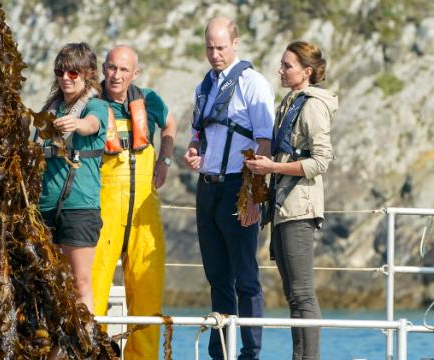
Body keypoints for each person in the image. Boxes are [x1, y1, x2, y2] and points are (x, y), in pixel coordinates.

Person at [183, 17, 274, 360]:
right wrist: (194, 153)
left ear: (236, 44)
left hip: (239, 185)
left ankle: (251, 353)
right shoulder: (204, 86)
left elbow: (264, 143)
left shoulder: (254, 84)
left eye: (221, 47)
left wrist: (254, 197)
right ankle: (220, 352)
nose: (215, 54)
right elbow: (200, 136)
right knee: (217, 276)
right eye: (209, 47)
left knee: (245, 277)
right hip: (207, 188)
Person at [246, 41, 336, 360]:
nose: (280, 70)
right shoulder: (290, 101)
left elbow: (321, 160)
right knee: (293, 295)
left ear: (306, 71)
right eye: (281, 64)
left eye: (287, 66)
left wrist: (272, 167)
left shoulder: (312, 105)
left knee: (302, 294)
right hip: (283, 207)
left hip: (300, 208)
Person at [91, 45, 176, 359]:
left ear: (135, 74)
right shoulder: (92, 103)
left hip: (143, 210)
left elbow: (171, 124)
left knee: (147, 292)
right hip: (104, 210)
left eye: (124, 70)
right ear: (103, 68)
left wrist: (164, 160)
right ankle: (93, 353)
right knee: (94, 291)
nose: (116, 75)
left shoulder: (150, 100)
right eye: (112, 67)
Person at [38, 42, 108, 313]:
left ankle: (84, 349)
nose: (65, 78)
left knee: (80, 283)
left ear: (88, 74)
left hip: (79, 207)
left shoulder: (97, 106)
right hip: (45, 207)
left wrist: (77, 124)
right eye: (60, 71)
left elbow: (93, 125)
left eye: (73, 73)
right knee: (48, 283)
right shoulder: (50, 109)